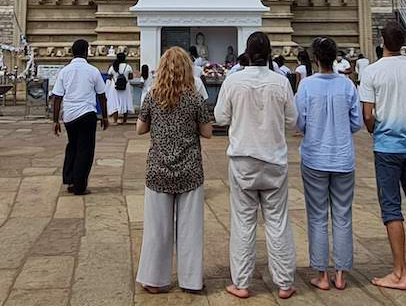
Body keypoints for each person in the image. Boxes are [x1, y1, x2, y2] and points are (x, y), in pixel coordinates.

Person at [213, 30, 298, 299]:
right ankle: (284, 282)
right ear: (270, 53)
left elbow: (220, 117)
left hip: (243, 161)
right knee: (277, 222)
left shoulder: (233, 81)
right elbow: (292, 120)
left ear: (247, 54)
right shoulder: (281, 82)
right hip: (273, 159)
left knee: (243, 223)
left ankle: (241, 282)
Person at [358, 19, 406, 291]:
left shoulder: (372, 72)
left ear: (382, 41)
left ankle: (399, 272)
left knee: (391, 209)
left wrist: (375, 130)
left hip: (386, 147)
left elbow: (367, 114)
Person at [137, 46, 213, 294]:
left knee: (157, 229)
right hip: (190, 169)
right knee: (190, 228)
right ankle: (191, 280)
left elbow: (140, 128)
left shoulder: (152, 95)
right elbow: (207, 132)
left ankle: (154, 279)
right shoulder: (194, 98)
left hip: (158, 169)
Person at [295, 36, 359, 292]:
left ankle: (322, 274)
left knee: (318, 215)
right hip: (343, 157)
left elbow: (300, 123)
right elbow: (356, 122)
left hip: (315, 158)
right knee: (343, 214)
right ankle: (341, 274)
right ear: (334, 58)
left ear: (315, 58)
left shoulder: (307, 87)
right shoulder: (347, 86)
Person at [50, 38, 108, 195]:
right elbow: (102, 95)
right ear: (85, 52)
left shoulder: (64, 71)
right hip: (87, 113)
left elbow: (57, 97)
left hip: (70, 115)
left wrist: (55, 120)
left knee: (72, 146)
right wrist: (104, 115)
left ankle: (70, 178)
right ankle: (79, 186)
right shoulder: (93, 70)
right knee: (85, 150)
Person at [108, 50, 136, 125]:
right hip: (125, 87)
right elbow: (131, 77)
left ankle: (115, 120)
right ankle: (124, 120)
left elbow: (109, 77)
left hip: (115, 86)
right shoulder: (128, 67)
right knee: (125, 101)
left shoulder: (113, 66)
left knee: (115, 102)